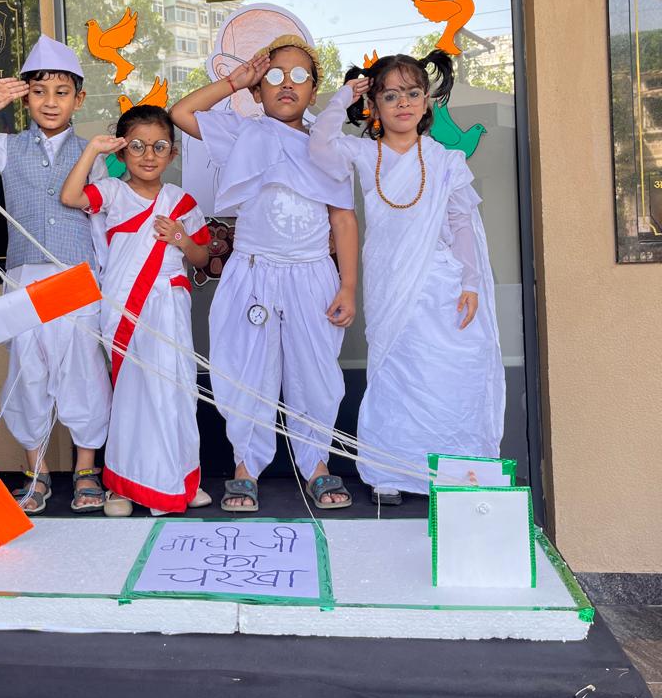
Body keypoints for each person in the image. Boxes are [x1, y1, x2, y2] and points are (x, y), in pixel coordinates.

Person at [170, 34, 357, 512]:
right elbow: (181, 113)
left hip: (311, 275)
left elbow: (343, 220)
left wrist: (349, 286)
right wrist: (234, 81)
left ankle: (316, 465)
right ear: (259, 90)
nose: (286, 84)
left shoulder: (329, 148)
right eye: (274, 75)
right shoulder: (243, 133)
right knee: (245, 370)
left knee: (315, 374)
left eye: (299, 76)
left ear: (314, 90)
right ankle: (245, 467)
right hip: (252, 273)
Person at [309, 51, 505, 505]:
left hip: (440, 283)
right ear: (374, 104)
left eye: (413, 93)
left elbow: (461, 224)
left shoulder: (446, 159)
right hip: (388, 280)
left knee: (448, 374)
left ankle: (456, 471)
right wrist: (343, 97)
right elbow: (319, 144)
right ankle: (389, 470)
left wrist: (471, 283)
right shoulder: (364, 153)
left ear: (426, 100)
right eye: (390, 95)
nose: (403, 103)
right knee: (394, 372)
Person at [0, 35, 110, 514]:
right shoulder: (6, 148)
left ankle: (86, 470)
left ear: (79, 99)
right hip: (25, 279)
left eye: (62, 92)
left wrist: (105, 285)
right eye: (39, 91)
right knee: (28, 372)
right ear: (24, 97)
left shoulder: (95, 153)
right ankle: (37, 471)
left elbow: (105, 223)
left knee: (83, 371)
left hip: (78, 277)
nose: (50, 102)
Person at [60, 105, 211, 517]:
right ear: (123, 151)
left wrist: (180, 238)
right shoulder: (112, 192)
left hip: (169, 306)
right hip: (126, 307)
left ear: (172, 153)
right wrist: (93, 150)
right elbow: (70, 196)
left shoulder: (181, 201)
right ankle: (123, 485)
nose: (148, 155)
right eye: (138, 146)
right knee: (131, 395)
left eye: (159, 146)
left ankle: (178, 478)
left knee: (174, 391)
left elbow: (201, 257)